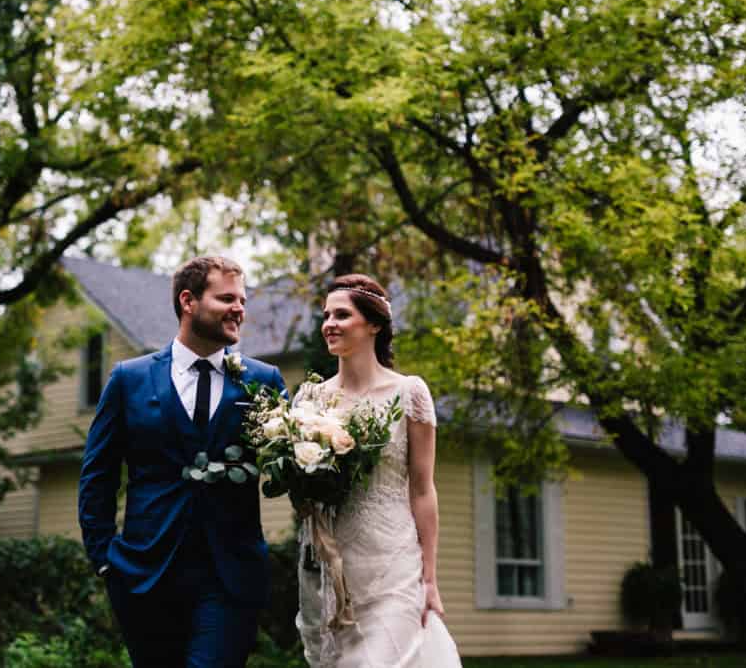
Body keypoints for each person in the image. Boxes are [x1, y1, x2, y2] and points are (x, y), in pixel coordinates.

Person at [78, 256, 287, 667]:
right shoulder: (129, 379)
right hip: (143, 575)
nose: (239, 309)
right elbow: (97, 475)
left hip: (230, 578)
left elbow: (290, 467)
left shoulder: (263, 381)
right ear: (188, 301)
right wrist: (105, 560)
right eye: (226, 298)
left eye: (242, 299)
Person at [296, 274, 462, 667]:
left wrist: (430, 579)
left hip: (393, 561)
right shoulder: (311, 398)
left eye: (342, 314)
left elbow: (422, 489)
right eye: (326, 315)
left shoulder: (409, 394)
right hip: (331, 561)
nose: (329, 324)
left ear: (373, 324)